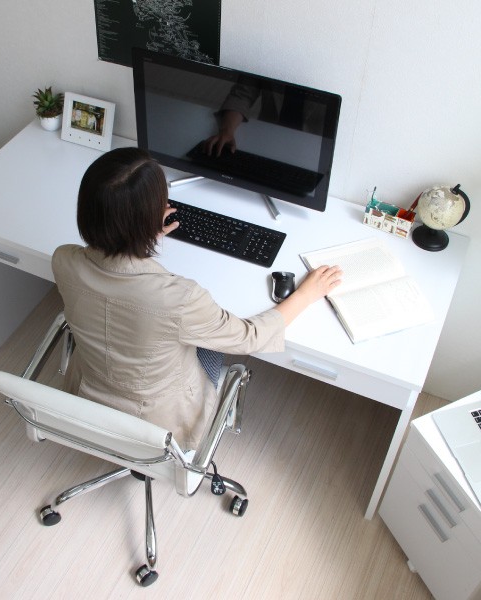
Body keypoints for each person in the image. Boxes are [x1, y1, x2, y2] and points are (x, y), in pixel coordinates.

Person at [52, 147, 342, 448]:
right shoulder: (179, 298)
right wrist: (306, 294)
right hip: (159, 425)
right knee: (210, 340)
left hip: (88, 399)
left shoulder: (63, 259)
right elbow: (249, 337)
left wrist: (139, 235)